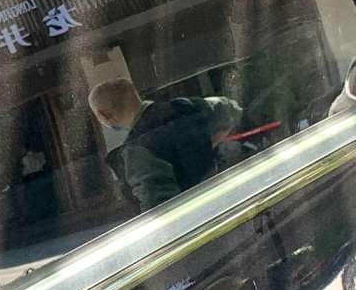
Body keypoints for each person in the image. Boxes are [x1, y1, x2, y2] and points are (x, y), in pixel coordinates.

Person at [86, 74, 244, 213]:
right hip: (234, 197)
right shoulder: (188, 106)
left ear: (104, 116)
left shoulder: (137, 152)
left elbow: (161, 215)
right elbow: (234, 110)